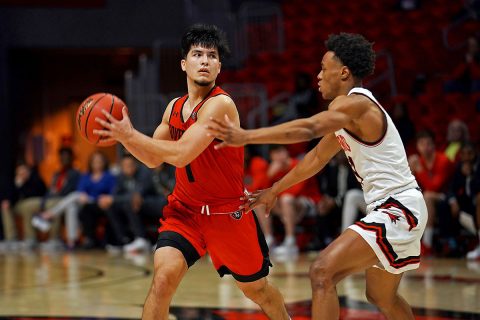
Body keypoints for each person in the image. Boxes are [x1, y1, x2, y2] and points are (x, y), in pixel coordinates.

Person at [207, 32, 427, 319]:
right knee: (381, 295)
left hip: (398, 207)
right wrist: (275, 189)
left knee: (322, 272)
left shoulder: (353, 104)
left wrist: (246, 135)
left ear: (344, 72)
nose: (318, 76)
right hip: (398, 207)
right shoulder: (349, 115)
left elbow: (309, 128)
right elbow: (316, 158)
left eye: (324, 68)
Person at [93, 24, 290, 320]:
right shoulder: (174, 107)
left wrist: (129, 135)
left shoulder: (221, 105)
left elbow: (182, 153)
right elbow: (151, 159)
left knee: (257, 290)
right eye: (197, 54)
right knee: (162, 281)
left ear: (219, 67)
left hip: (227, 215)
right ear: (184, 64)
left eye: (212, 56)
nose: (205, 60)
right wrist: (123, 137)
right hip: (185, 211)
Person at [408, 130, 452, 254]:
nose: (425, 147)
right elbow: (408, 186)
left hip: (447, 196)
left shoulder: (443, 160)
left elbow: (434, 187)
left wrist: (420, 171)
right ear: (417, 146)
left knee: (428, 196)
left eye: (428, 144)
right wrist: (410, 170)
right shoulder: (417, 161)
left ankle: (427, 244)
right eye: (421, 144)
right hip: (427, 196)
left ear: (433, 145)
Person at [1, 162, 46, 251]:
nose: (21, 174)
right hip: (19, 205)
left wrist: (27, 182)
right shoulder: (15, 182)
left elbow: (40, 193)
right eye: (19, 172)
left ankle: (30, 238)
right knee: (5, 207)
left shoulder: (35, 179)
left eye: (23, 172)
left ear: (28, 171)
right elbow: (11, 197)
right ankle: (11, 238)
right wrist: (17, 186)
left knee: (27, 206)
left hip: (35, 204)